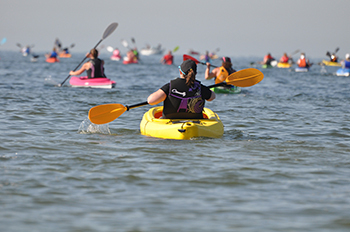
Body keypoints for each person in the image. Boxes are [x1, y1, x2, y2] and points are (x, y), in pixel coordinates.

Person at [147, 60, 216, 119]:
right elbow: (212, 97)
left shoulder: (170, 86)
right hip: (195, 123)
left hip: (170, 123)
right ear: (195, 74)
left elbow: (151, 101)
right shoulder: (200, 87)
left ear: (180, 71)